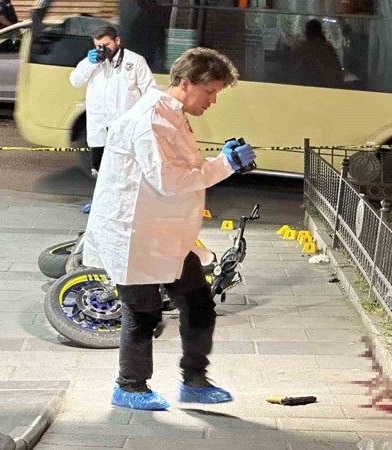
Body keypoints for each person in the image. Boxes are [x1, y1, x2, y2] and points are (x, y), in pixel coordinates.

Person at [82, 47, 256, 410]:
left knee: (199, 303)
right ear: (186, 82)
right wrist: (224, 165)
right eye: (210, 91)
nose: (213, 100)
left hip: (165, 233)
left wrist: (220, 161)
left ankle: (194, 380)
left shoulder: (171, 114)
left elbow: (181, 167)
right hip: (133, 234)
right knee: (143, 311)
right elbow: (170, 179)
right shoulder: (151, 119)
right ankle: (129, 387)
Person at [69, 25, 155, 213]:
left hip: (125, 127)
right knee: (100, 168)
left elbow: (150, 91)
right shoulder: (93, 62)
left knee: (125, 169)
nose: (102, 49)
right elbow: (75, 80)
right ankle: (100, 202)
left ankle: (127, 205)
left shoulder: (135, 61)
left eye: (106, 45)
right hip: (99, 125)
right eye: (98, 46)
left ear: (117, 41)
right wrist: (89, 62)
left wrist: (145, 119)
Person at [290, 19, 343, 88]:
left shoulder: (300, 47)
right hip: (327, 86)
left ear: (306, 32)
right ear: (320, 32)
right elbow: (337, 71)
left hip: (302, 86)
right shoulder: (326, 48)